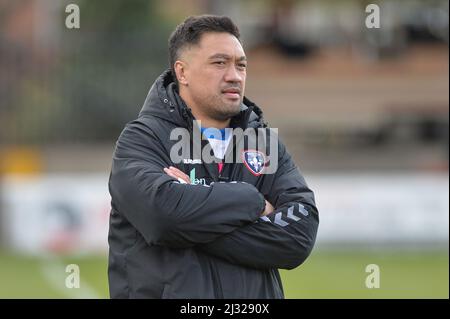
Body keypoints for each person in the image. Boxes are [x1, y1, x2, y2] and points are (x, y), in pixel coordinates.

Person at [108, 14, 319, 299]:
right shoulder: (143, 139)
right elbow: (163, 218)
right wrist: (253, 202)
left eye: (240, 65)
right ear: (182, 72)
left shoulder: (265, 143)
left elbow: (298, 237)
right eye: (219, 63)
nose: (234, 75)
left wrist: (190, 213)